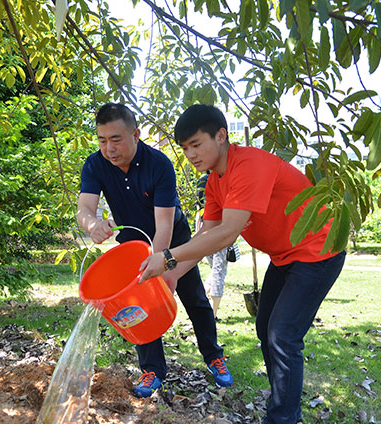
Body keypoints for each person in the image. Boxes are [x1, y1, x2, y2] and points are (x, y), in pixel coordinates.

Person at [139, 104, 346, 423]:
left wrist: (166, 257)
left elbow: (226, 234)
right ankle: (283, 404)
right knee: (266, 328)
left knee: (282, 334)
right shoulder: (213, 183)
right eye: (185, 148)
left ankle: (282, 417)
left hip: (319, 250)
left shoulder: (247, 164)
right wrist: (173, 275)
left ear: (221, 136)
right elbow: (204, 236)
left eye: (196, 144)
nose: (191, 154)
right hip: (286, 256)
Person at [77, 103, 233, 398]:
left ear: (136, 134)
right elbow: (85, 208)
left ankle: (214, 356)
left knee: (195, 299)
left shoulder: (159, 164)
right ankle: (152, 370)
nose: (109, 148)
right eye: (102, 140)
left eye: (116, 139)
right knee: (137, 307)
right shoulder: (95, 165)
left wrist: (160, 268)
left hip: (173, 240)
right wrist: (91, 225)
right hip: (132, 246)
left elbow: (163, 226)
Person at [196, 173, 229, 320]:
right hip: (219, 227)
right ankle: (213, 314)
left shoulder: (201, 180)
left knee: (215, 271)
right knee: (218, 272)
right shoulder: (222, 179)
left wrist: (198, 232)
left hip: (205, 227)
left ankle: (204, 307)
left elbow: (198, 209)